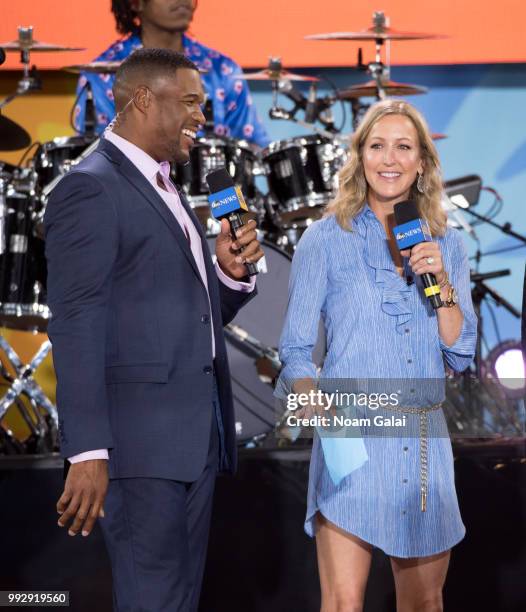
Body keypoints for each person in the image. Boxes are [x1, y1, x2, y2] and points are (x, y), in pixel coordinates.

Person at [45, 48, 263, 611]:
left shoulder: (167, 184)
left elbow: (184, 312)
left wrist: (228, 275)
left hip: (192, 441)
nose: (202, 117)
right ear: (143, 99)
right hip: (138, 449)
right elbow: (75, 323)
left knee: (177, 602)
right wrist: (88, 450)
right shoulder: (90, 187)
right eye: (190, 102)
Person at [276, 99, 477, 611]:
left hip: (424, 441)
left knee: (424, 605)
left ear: (423, 163)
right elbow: (296, 351)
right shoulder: (323, 240)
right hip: (352, 436)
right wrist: (317, 408)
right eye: (377, 145)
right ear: (360, 156)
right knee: (343, 604)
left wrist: (443, 284)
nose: (390, 158)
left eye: (404, 147)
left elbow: (460, 353)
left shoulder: (447, 245)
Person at [73, 0, 270, 147]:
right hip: (136, 195)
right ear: (136, 3)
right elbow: (100, 155)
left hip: (216, 197)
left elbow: (252, 147)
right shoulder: (101, 76)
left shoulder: (223, 70)